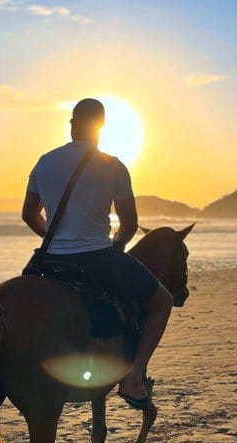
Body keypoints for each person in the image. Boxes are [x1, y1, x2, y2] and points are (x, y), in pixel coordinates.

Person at [21, 98, 173, 409]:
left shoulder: (44, 162)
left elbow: (28, 214)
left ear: (72, 125)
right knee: (163, 301)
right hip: (98, 257)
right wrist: (118, 244)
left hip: (50, 259)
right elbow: (129, 224)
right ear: (101, 127)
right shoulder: (113, 166)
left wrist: (54, 238)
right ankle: (134, 378)